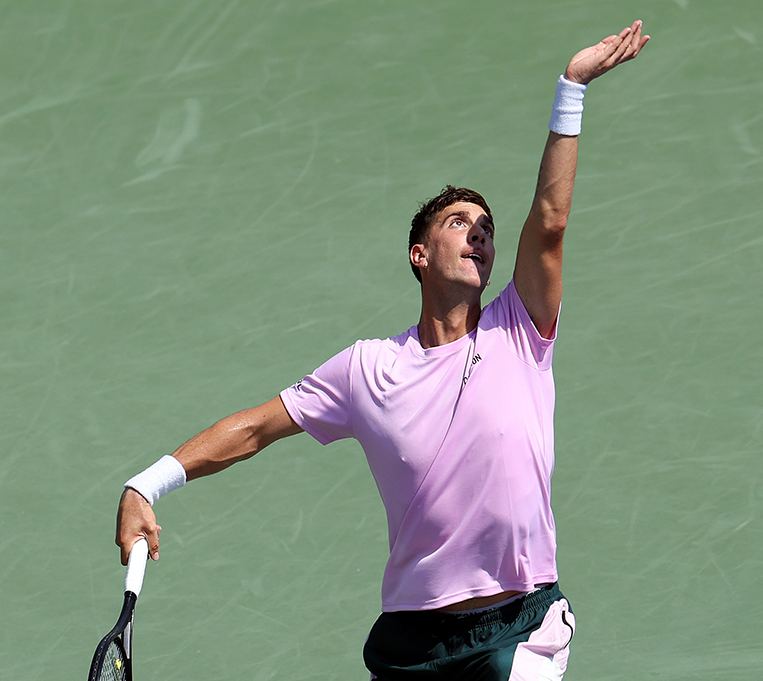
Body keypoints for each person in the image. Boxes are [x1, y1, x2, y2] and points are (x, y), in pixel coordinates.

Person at [115, 21, 649, 680]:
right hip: (411, 639)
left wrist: (571, 88)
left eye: (486, 229)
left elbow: (549, 222)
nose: (479, 235)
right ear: (418, 254)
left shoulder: (521, 326)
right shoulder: (366, 368)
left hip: (520, 622)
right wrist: (148, 483)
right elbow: (255, 427)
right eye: (459, 223)